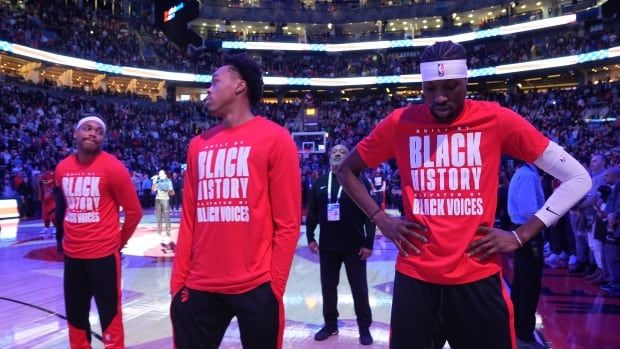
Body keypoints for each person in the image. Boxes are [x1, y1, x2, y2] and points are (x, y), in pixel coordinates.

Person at [335, 41, 592, 349]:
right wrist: (381, 219)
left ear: (466, 82)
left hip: (477, 275)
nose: (439, 98)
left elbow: (578, 177)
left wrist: (521, 234)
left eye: (450, 87)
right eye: (430, 88)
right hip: (415, 277)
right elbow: (346, 170)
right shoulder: (400, 122)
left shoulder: (496, 120)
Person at [170, 53, 301, 349]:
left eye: (215, 82)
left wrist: (274, 288)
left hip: (256, 286)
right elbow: (189, 217)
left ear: (240, 86)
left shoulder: (276, 139)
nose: (208, 89)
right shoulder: (197, 145)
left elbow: (289, 223)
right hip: (198, 285)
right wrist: (178, 283)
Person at [55, 115, 142, 349]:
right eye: (87, 128)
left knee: (109, 315)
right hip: (72, 256)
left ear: (103, 139)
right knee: (75, 315)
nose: (93, 133)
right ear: (76, 133)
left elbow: (134, 211)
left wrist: (118, 242)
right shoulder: (62, 168)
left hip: (103, 256)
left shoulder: (113, 167)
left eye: (99, 131)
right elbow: (64, 208)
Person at [306, 144, 375, 345]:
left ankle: (364, 328)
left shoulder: (360, 181)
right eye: (334, 152)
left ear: (348, 157)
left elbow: (370, 215)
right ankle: (330, 325)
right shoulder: (319, 183)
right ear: (329, 158)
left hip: (355, 247)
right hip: (328, 247)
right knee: (328, 287)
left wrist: (369, 242)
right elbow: (311, 214)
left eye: (342, 152)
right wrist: (310, 237)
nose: (337, 154)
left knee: (359, 288)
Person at [507, 161, 546, 349]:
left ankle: (518, 329)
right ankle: (524, 334)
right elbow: (530, 210)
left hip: (523, 230)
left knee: (522, 281)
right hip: (529, 231)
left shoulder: (523, 173)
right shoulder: (527, 175)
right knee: (529, 283)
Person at [151, 169, 173, 244]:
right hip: (158, 199)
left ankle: (167, 232)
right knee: (158, 217)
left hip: (165, 199)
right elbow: (153, 190)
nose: (159, 175)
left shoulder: (168, 181)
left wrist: (163, 187)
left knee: (166, 216)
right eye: (159, 174)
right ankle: (159, 231)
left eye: (160, 174)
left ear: (164, 174)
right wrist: (154, 182)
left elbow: (171, 190)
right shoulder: (158, 181)